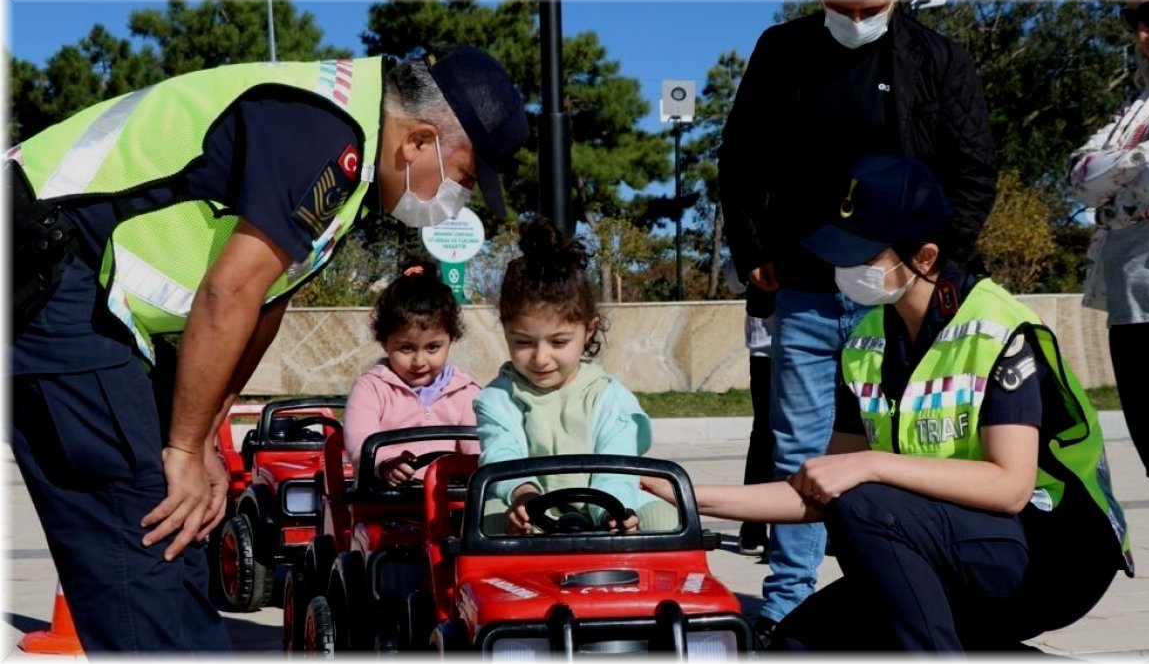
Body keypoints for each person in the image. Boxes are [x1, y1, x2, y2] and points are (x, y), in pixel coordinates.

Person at [7, 47, 528, 651]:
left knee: (185, 527)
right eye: (463, 178)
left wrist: (203, 439)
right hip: (43, 261)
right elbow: (228, 292)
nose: (456, 200)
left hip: (87, 292)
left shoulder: (351, 169)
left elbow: (264, 305)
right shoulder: (322, 130)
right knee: (142, 523)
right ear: (417, 142)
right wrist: (179, 447)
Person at [647, 154, 1132, 652]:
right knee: (796, 645)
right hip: (951, 546)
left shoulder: (998, 327)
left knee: (868, 502)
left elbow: (1009, 487)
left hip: (1052, 556)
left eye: (862, 256)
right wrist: (681, 495)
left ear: (924, 257)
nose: (843, 268)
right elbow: (821, 490)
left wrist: (873, 464)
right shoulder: (867, 342)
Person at [717, 0, 998, 642]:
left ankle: (924, 592)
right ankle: (788, 601)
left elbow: (974, 168)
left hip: (903, 293)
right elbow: (741, 154)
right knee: (799, 447)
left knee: (915, 444)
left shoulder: (937, 57)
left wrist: (933, 268)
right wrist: (754, 246)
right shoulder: (781, 50)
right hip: (808, 288)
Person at [1067, 0, 1149, 654]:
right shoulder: (1145, 103)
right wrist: (1136, 175)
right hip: (1134, 308)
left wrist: (1120, 184)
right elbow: (1078, 170)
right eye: (1130, 19)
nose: (1144, 31)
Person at [474, 217, 676, 536]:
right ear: (506, 331)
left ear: (588, 329)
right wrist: (524, 495)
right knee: (490, 524)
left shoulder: (609, 397)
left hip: (608, 498)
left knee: (668, 520)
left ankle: (651, 584)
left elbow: (616, 465)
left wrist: (612, 511)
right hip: (525, 501)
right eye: (523, 342)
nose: (541, 358)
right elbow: (501, 452)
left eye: (558, 342)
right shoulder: (498, 397)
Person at [343, 259, 481, 486]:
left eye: (432, 348)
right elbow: (359, 440)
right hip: (387, 502)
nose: (419, 361)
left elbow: (477, 445)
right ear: (384, 342)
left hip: (452, 502)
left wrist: (475, 467)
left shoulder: (466, 392)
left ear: (451, 339)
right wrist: (384, 464)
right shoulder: (371, 388)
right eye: (406, 348)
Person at [723, 259, 775, 557]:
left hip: (814, 338)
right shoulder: (750, 227)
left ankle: (797, 533)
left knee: (805, 434)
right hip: (767, 342)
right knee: (766, 432)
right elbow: (733, 278)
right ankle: (754, 527)